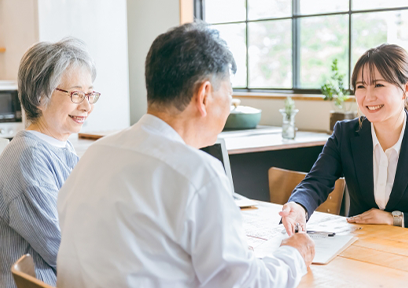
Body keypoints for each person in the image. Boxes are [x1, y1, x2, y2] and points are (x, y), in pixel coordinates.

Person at [57, 21, 314, 288]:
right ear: (204, 95)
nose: (228, 105)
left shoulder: (94, 155)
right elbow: (246, 284)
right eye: (229, 93)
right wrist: (294, 254)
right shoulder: (197, 173)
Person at [280, 44, 408, 237]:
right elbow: (316, 182)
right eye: (361, 86)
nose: (368, 96)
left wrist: (394, 218)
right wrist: (299, 206)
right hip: (357, 247)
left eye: (379, 85)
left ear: (406, 88)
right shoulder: (345, 134)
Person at [0, 38, 100, 288]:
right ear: (39, 96)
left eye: (90, 94)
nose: (87, 106)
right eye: (76, 94)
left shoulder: (60, 146)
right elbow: (63, 248)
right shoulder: (27, 157)